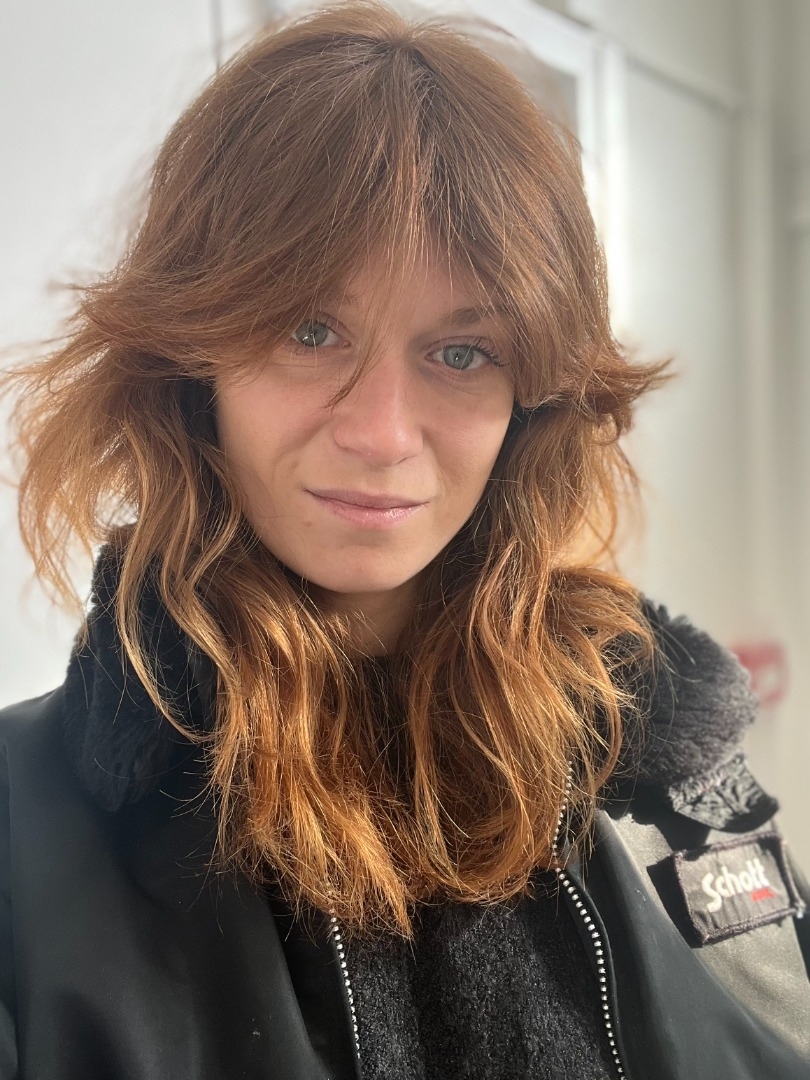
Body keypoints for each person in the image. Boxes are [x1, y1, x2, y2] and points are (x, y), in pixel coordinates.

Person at [1, 2, 808, 1078]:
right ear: (191, 361)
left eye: (462, 352)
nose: (381, 434)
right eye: (309, 330)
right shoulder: (22, 837)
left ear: (533, 397)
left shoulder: (663, 769)